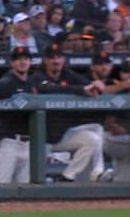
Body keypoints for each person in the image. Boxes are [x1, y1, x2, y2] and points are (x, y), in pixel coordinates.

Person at [28, 44, 107, 183]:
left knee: (92, 138)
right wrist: (80, 89)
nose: (56, 61)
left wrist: (95, 85)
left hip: (62, 135)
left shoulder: (67, 74)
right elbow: (47, 89)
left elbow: (87, 85)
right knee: (31, 180)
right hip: (39, 140)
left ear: (63, 59)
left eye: (59, 57)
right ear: (45, 60)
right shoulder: (37, 76)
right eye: (52, 58)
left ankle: (68, 176)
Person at [0, 46, 34, 184]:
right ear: (12, 63)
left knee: (24, 189)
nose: (22, 62)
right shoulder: (6, 81)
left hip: (27, 142)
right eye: (18, 59)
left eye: (25, 59)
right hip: (7, 141)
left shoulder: (31, 83)